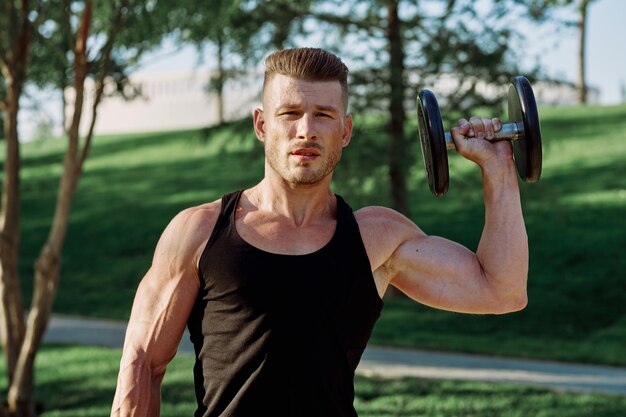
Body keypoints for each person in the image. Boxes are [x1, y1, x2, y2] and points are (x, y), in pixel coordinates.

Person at [111, 47, 528, 417]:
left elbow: (501, 290)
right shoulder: (200, 231)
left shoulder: (376, 237)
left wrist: (499, 168)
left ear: (344, 132)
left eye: (323, 116)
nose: (306, 130)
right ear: (261, 125)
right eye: (289, 113)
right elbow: (142, 363)